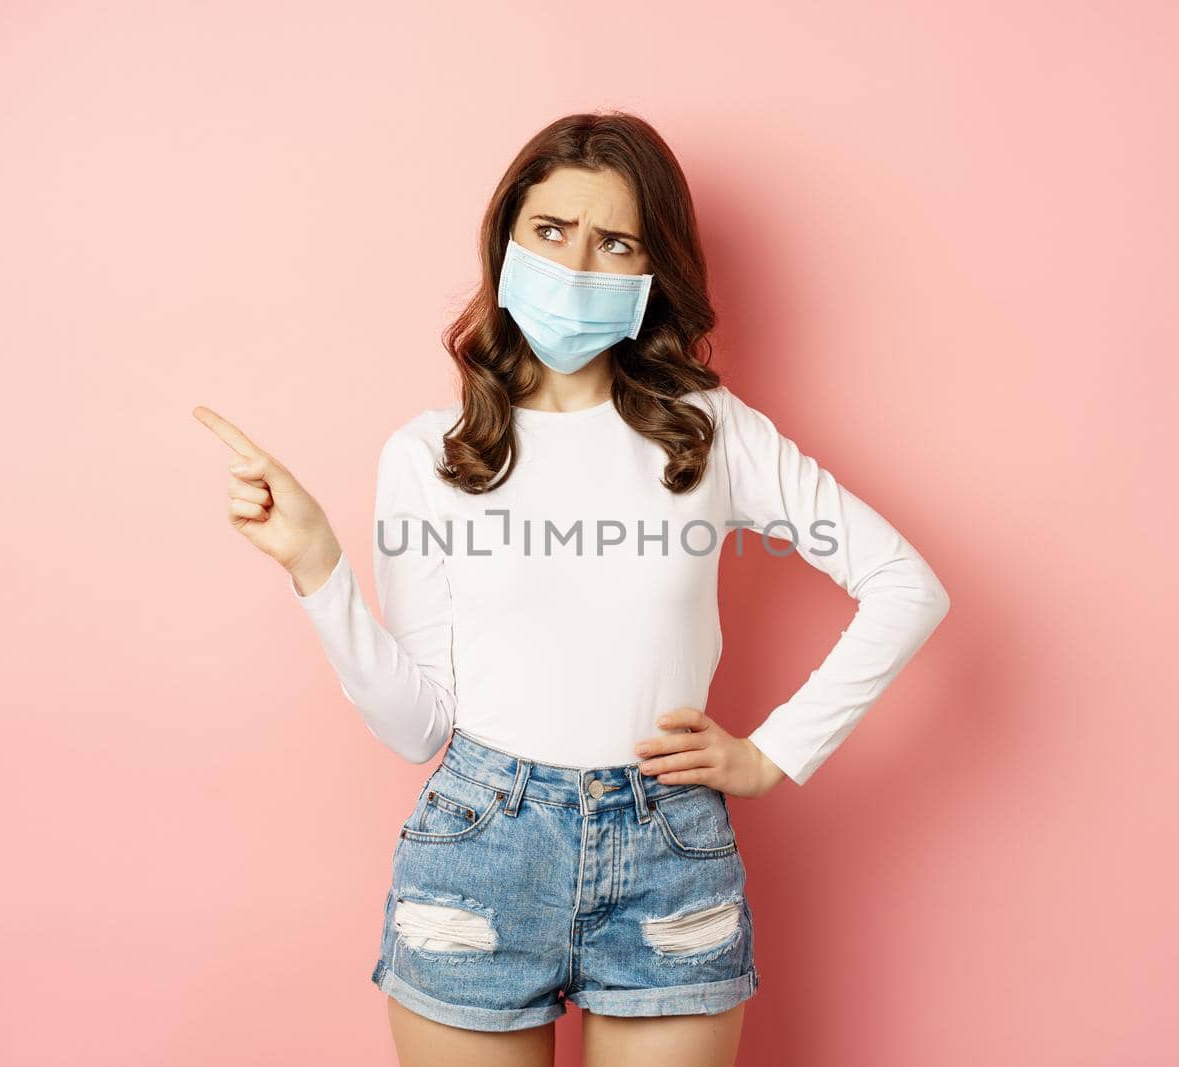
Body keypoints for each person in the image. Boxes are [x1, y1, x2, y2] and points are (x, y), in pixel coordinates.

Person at [194, 110, 950, 1067]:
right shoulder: (429, 456)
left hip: (668, 853)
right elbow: (418, 727)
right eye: (550, 232)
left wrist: (774, 753)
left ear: (650, 272)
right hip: (480, 846)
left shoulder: (707, 432)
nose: (576, 263)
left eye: (615, 241)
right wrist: (316, 565)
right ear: (507, 241)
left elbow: (903, 584)